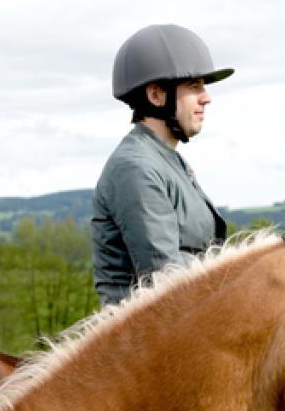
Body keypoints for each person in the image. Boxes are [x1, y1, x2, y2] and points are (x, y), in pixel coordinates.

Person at [92, 24, 233, 305]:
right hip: (145, 338)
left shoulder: (165, 159)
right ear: (156, 95)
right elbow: (165, 275)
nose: (206, 97)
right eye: (194, 86)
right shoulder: (136, 167)